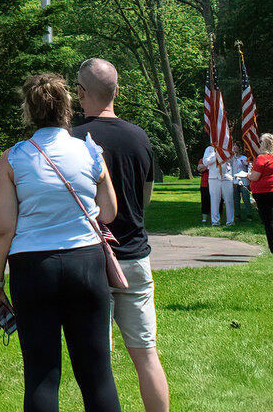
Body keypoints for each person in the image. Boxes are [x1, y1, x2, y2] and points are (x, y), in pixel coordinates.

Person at [0, 73, 121, 412]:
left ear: (29, 112)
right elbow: (108, 212)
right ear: (67, 107)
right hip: (86, 264)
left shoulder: (13, 158)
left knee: (42, 375)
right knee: (97, 374)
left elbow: (3, 229)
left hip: (32, 268)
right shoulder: (90, 151)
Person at [72, 58, 170, 412]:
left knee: (100, 362)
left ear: (82, 93)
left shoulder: (74, 138)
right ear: (116, 92)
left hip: (91, 259)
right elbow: (146, 197)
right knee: (147, 356)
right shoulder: (139, 137)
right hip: (135, 257)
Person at [248, 133, 273, 256]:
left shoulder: (262, 158)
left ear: (265, 144)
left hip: (265, 192)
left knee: (269, 222)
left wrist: (246, 175)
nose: (259, 144)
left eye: (260, 142)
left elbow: (255, 177)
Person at [201, 144, 234, 227]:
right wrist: (217, 156)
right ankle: (215, 221)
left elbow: (233, 162)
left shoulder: (228, 148)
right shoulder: (210, 149)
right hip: (214, 177)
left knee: (229, 200)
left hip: (227, 177)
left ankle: (230, 221)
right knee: (215, 200)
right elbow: (205, 162)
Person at [231, 148, 255, 216]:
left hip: (244, 180)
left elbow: (249, 166)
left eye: (236, 146)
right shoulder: (232, 158)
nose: (234, 148)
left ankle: (249, 214)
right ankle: (237, 215)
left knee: (246, 198)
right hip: (235, 180)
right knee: (236, 199)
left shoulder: (244, 158)